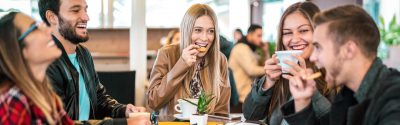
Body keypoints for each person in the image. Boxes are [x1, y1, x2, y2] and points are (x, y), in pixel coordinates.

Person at [281, 5, 400, 125]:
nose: (313, 57)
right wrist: (302, 100)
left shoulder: (394, 99)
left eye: (318, 47)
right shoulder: (347, 95)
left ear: (348, 50)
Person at [38, 0, 146, 121]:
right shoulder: (44, 62)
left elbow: (99, 99)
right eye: (75, 10)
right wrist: (125, 124)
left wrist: (124, 110)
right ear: (52, 17)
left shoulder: (84, 54)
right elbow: (60, 122)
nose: (86, 17)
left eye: (85, 10)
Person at [242, 2, 333, 125]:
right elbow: (250, 115)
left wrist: (311, 92)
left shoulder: (334, 75)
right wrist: (268, 82)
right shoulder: (281, 73)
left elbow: (336, 119)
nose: (295, 39)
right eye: (287, 33)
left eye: (304, 30)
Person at [147, 4, 231, 115]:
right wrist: (181, 65)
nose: (205, 38)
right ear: (187, 30)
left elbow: (222, 112)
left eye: (210, 31)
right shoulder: (167, 53)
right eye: (198, 30)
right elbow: (153, 102)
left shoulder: (220, 60)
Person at [0, 12, 72, 124]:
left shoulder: (47, 96)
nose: (49, 30)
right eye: (35, 28)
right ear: (18, 50)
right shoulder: (13, 101)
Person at [229, 24, 265, 106]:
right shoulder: (241, 47)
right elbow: (251, 70)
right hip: (240, 98)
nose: (261, 39)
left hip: (246, 96)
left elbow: (262, 64)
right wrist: (270, 69)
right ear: (250, 34)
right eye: (259, 36)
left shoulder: (250, 49)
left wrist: (265, 51)